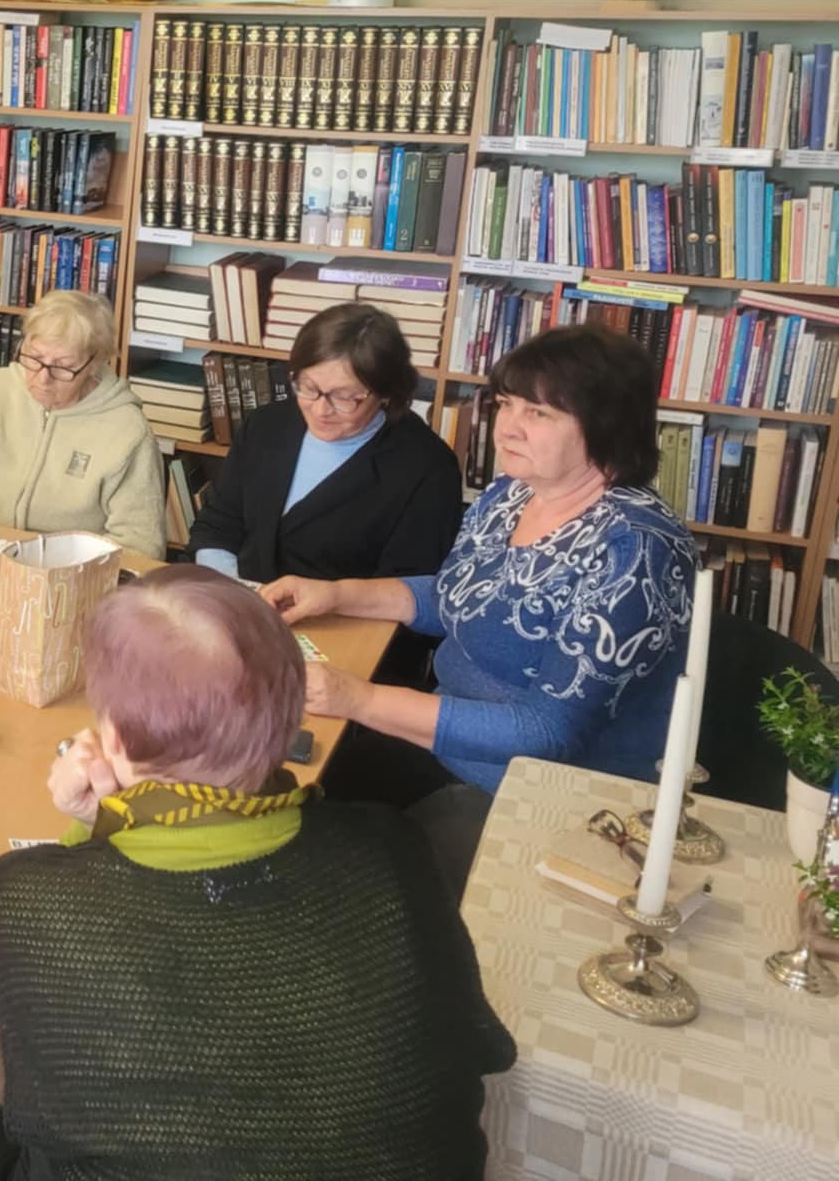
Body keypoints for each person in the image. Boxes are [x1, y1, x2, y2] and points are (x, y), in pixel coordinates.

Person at [0, 567, 515, 1181]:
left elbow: (21, 1010)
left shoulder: (23, 898)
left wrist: (92, 826)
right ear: (292, 726)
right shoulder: (395, 845)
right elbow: (473, 1046)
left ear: (113, 740)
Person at [262, 325, 699, 889]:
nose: (507, 427)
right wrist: (339, 593)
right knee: (278, 797)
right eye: (506, 404)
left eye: (538, 413)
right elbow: (455, 597)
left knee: (332, 876)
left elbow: (547, 733)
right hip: (444, 744)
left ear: (607, 425)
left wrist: (360, 698)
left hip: (542, 797)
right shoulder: (512, 493)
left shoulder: (635, 550)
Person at [189, 302, 463, 582]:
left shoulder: (429, 470)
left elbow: (407, 588)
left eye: (344, 397)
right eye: (309, 388)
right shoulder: (265, 425)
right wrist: (228, 590)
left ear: (386, 393)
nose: (320, 410)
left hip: (341, 611)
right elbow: (217, 525)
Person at [0, 290, 161, 555]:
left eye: (62, 367)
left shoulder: (128, 431)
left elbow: (140, 546)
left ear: (94, 363)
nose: (43, 379)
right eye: (35, 358)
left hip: (71, 567)